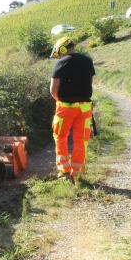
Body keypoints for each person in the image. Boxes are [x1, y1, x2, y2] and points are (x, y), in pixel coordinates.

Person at [50, 37, 95, 181]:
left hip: (66, 108)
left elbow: (53, 90)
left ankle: (64, 172)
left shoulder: (62, 63)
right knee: (81, 140)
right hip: (85, 108)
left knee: (60, 137)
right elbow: (90, 84)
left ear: (62, 49)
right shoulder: (88, 61)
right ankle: (77, 173)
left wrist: (61, 101)